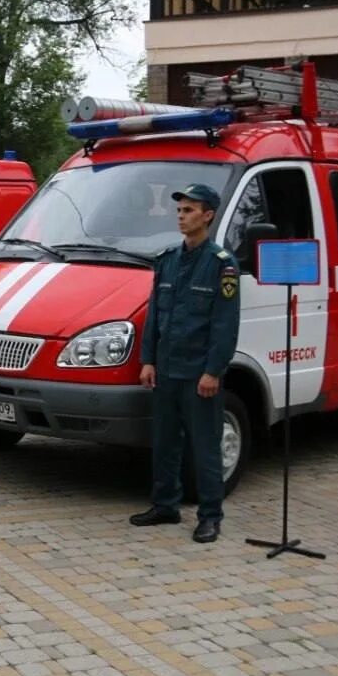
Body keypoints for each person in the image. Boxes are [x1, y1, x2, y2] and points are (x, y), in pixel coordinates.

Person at [131, 183, 241, 544]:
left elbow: (225, 326)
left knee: (205, 446)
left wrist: (213, 371)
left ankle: (210, 515)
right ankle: (165, 505)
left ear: (207, 215)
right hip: (165, 370)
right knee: (164, 442)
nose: (182, 217)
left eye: (189, 210)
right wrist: (148, 360)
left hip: (198, 374)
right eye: (179, 211)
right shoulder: (168, 261)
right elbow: (154, 317)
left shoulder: (221, 265)